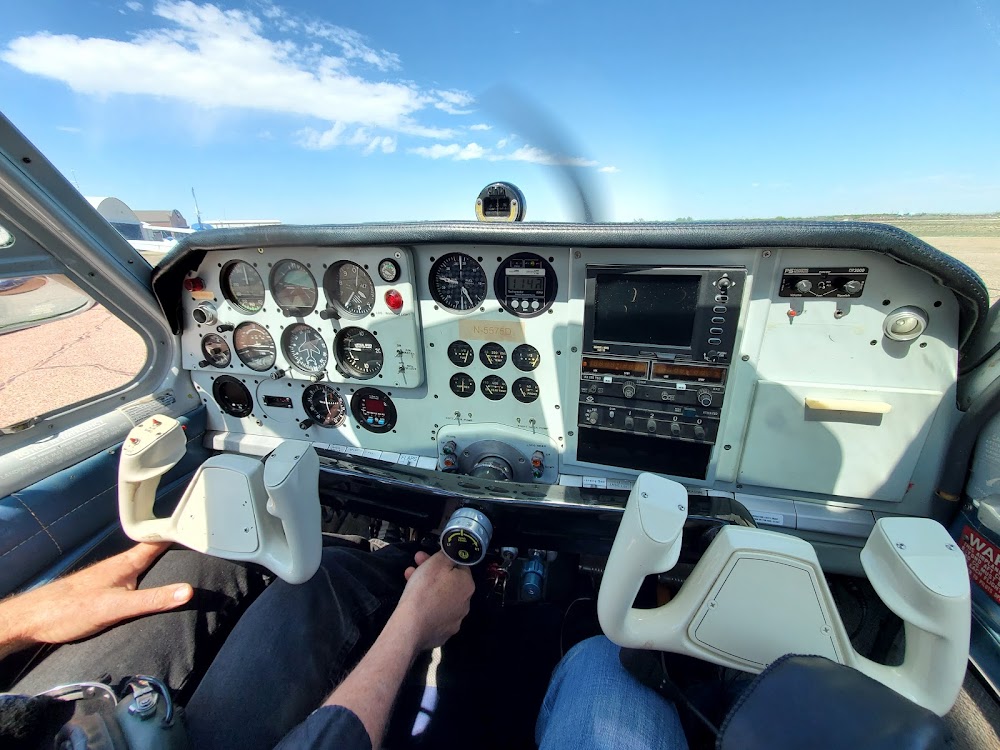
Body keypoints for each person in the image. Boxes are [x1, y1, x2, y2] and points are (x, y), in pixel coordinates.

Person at [0, 539, 474, 749]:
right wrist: (414, 625)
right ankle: (419, 564)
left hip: (37, 720)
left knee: (201, 559)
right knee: (322, 582)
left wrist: (25, 618)